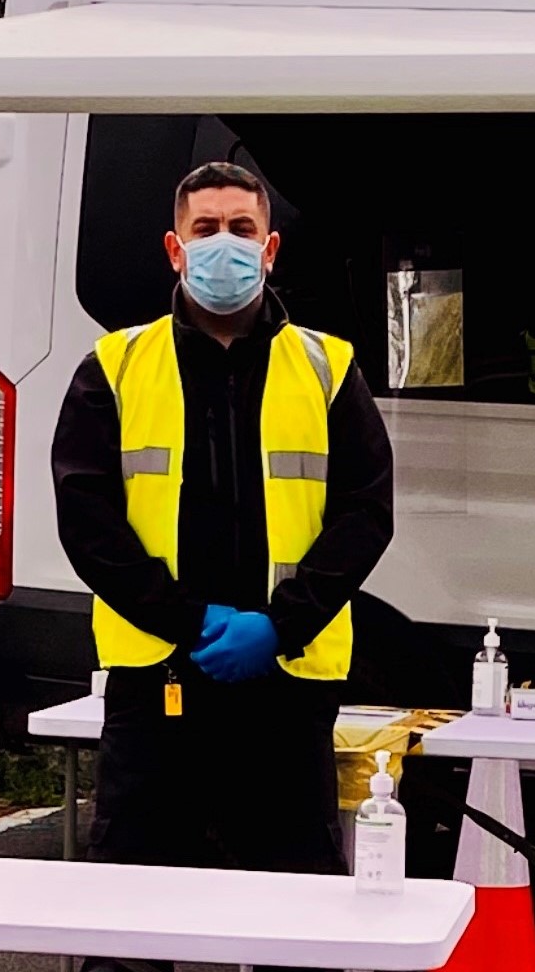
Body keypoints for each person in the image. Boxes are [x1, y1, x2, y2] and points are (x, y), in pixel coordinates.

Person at [51, 162, 394, 972]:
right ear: (174, 248)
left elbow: (365, 514)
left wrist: (280, 624)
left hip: (285, 685)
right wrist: (191, 621)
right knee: (132, 926)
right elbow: (87, 523)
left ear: (271, 248)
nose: (223, 246)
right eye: (205, 230)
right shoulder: (113, 367)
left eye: (241, 229)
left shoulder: (329, 368)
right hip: (158, 682)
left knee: (296, 926)